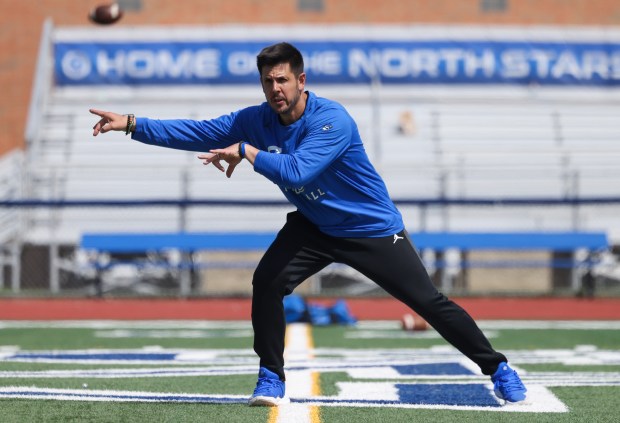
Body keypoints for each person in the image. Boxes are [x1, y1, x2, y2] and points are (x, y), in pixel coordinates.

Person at [90, 42, 527, 406]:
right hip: (315, 226)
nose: (275, 88)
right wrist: (132, 123)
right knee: (266, 282)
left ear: (302, 81)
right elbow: (200, 132)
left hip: (369, 229)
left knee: (428, 302)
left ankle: (498, 366)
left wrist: (246, 152)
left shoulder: (330, 119)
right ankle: (271, 376)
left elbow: (297, 172)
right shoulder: (255, 120)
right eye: (268, 81)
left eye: (282, 80)